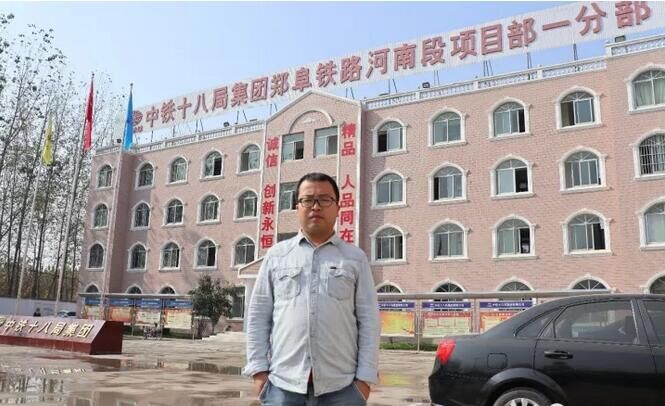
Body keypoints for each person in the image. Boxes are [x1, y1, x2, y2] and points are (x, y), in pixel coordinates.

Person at [243, 172, 380, 405]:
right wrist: (259, 372)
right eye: (307, 200)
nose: (315, 207)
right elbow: (258, 316)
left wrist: (364, 380)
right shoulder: (277, 256)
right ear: (297, 207)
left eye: (324, 200)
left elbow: (369, 321)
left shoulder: (355, 258)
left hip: (343, 388)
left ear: (338, 207)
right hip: (282, 387)